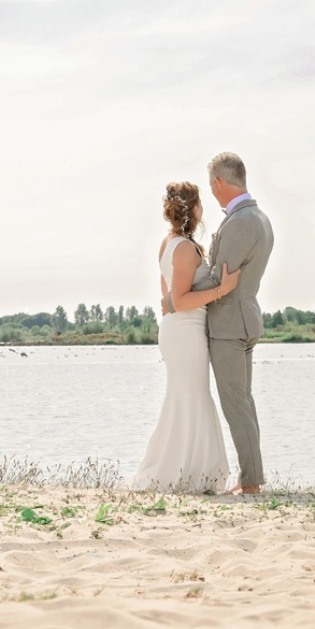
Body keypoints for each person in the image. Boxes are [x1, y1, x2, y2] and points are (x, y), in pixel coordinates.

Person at [164, 152, 274, 495]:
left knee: (235, 403)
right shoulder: (258, 217)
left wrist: (175, 297)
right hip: (241, 320)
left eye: (211, 187)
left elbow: (218, 277)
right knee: (242, 401)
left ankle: (251, 481)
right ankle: (250, 476)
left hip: (229, 324)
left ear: (218, 183)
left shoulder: (241, 221)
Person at [131, 181, 241, 493]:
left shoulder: (168, 243)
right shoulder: (184, 248)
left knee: (184, 397)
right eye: (200, 204)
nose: (203, 208)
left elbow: (167, 297)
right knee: (192, 397)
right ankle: (191, 472)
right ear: (192, 210)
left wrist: (175, 303)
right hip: (186, 334)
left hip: (178, 331)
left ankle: (191, 469)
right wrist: (223, 289)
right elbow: (178, 300)